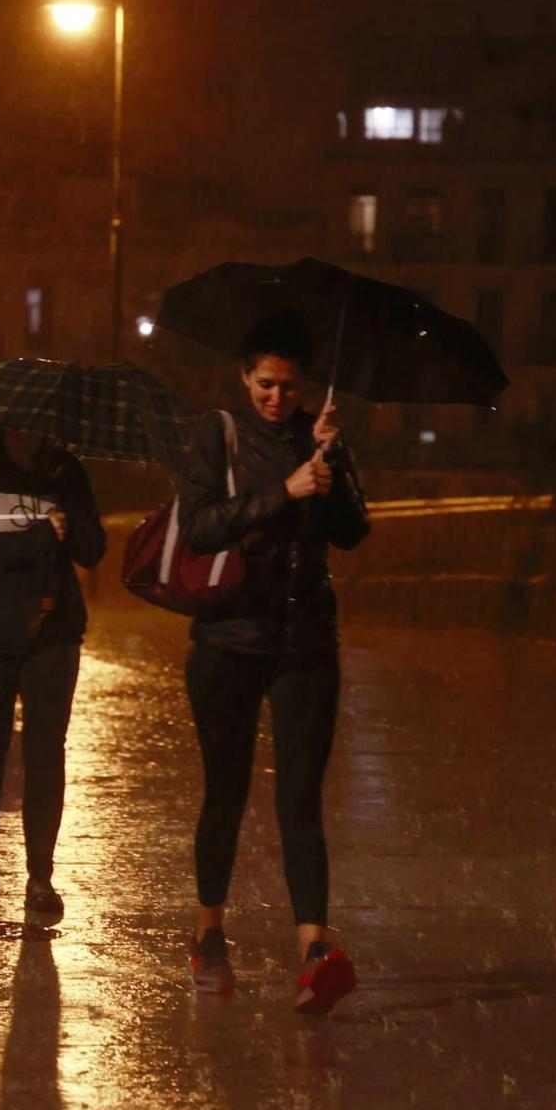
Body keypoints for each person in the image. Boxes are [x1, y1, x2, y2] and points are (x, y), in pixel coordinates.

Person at [176, 318, 370, 1013]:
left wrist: (334, 460)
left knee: (300, 800)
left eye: (291, 386)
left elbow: (352, 532)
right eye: (267, 383)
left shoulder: (314, 436)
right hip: (228, 635)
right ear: (243, 376)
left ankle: (314, 951)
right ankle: (210, 932)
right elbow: (197, 526)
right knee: (223, 790)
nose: (278, 397)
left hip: (304, 639)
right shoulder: (215, 434)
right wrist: (281, 493)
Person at [0, 428, 106, 925]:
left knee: (45, 751)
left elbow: (93, 549)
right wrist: (37, 535)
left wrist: (71, 517)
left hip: (53, 633)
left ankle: (41, 875)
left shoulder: (66, 471)